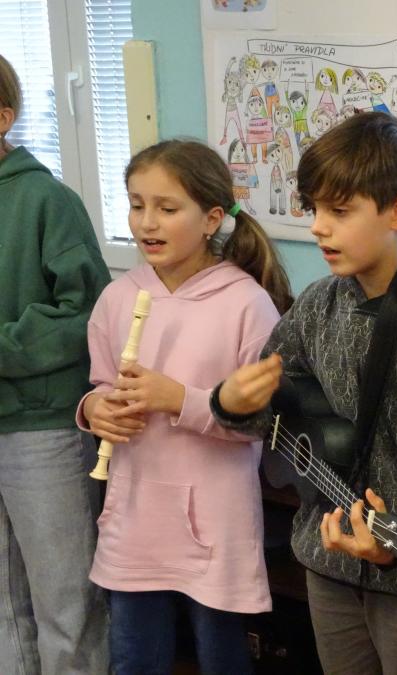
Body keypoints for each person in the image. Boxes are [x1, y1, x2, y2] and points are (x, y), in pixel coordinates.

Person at [211, 111, 397, 675]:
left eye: (340, 212)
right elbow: (273, 412)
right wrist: (230, 403)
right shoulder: (317, 305)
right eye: (315, 210)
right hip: (327, 561)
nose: (319, 228)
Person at [77, 139, 293, 674]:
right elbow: (101, 382)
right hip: (134, 518)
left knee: (222, 658)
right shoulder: (117, 298)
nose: (147, 222)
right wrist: (95, 409)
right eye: (137, 205)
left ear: (212, 219)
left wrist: (180, 400)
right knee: (134, 659)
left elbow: (264, 425)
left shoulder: (246, 303)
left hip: (216, 523)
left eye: (167, 208)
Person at [0, 53, 111, 675]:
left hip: (40, 428)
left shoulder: (47, 200)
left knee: (66, 604)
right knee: (4, 606)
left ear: (3, 117)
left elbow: (85, 313)